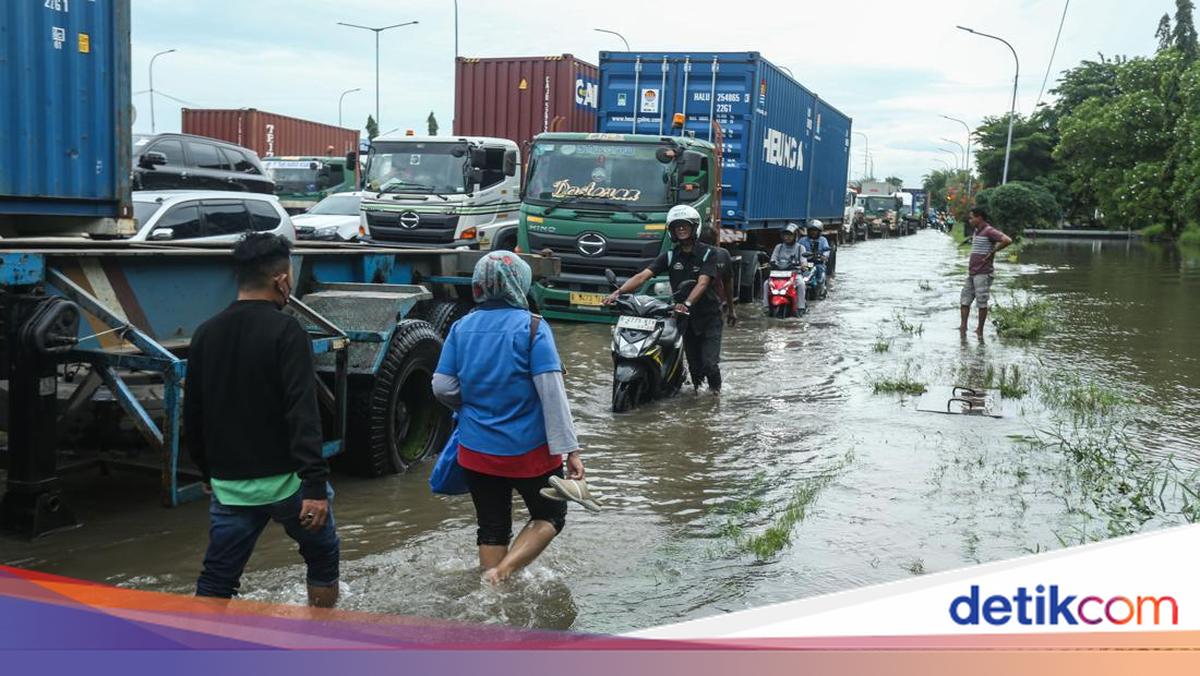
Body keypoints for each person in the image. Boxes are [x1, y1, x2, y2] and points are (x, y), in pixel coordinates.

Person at [186, 233, 339, 607]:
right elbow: (303, 412)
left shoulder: (206, 333)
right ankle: (322, 640)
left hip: (230, 487)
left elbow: (193, 415)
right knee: (322, 559)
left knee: (218, 576)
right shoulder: (287, 331)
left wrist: (207, 472)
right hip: (289, 484)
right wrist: (316, 489)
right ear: (281, 280)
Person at [431, 251, 585, 585]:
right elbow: (552, 393)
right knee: (551, 514)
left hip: (476, 449)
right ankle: (504, 571)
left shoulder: (461, 327)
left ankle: (492, 590)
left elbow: (442, 386)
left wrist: (469, 407)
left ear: (479, 284)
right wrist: (571, 450)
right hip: (529, 451)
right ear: (520, 283)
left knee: (491, 526)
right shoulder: (533, 327)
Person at [603, 204, 724, 393]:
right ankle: (698, 400)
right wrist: (618, 293)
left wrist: (687, 303)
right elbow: (643, 276)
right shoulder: (669, 256)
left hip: (709, 317)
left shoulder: (709, 253)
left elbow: (702, 283)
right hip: (684, 318)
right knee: (695, 368)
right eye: (677, 226)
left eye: (685, 225)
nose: (681, 229)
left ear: (694, 227)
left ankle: (716, 395)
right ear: (672, 231)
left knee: (710, 364)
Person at [960, 206, 1012, 335]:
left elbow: (1007, 240)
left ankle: (980, 330)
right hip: (972, 272)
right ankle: (963, 327)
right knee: (964, 300)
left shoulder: (989, 231)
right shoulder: (977, 231)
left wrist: (994, 251)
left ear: (979, 218)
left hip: (983, 273)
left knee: (981, 302)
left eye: (972, 218)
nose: (970, 220)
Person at [763, 222, 805, 309]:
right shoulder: (779, 247)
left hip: (794, 274)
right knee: (766, 283)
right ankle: (766, 306)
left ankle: (801, 307)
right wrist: (771, 264)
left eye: (790, 235)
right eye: (785, 235)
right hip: (778, 275)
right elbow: (773, 260)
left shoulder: (800, 248)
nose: (787, 237)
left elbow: (804, 261)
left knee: (801, 284)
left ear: (795, 236)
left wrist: (803, 265)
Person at [799, 220, 832, 287]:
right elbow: (798, 249)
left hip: (818, 263)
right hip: (806, 263)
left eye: (815, 230)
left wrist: (824, 256)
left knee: (819, 271)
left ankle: (820, 287)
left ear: (819, 231)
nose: (813, 232)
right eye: (811, 230)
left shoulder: (823, 240)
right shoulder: (802, 240)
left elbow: (826, 249)